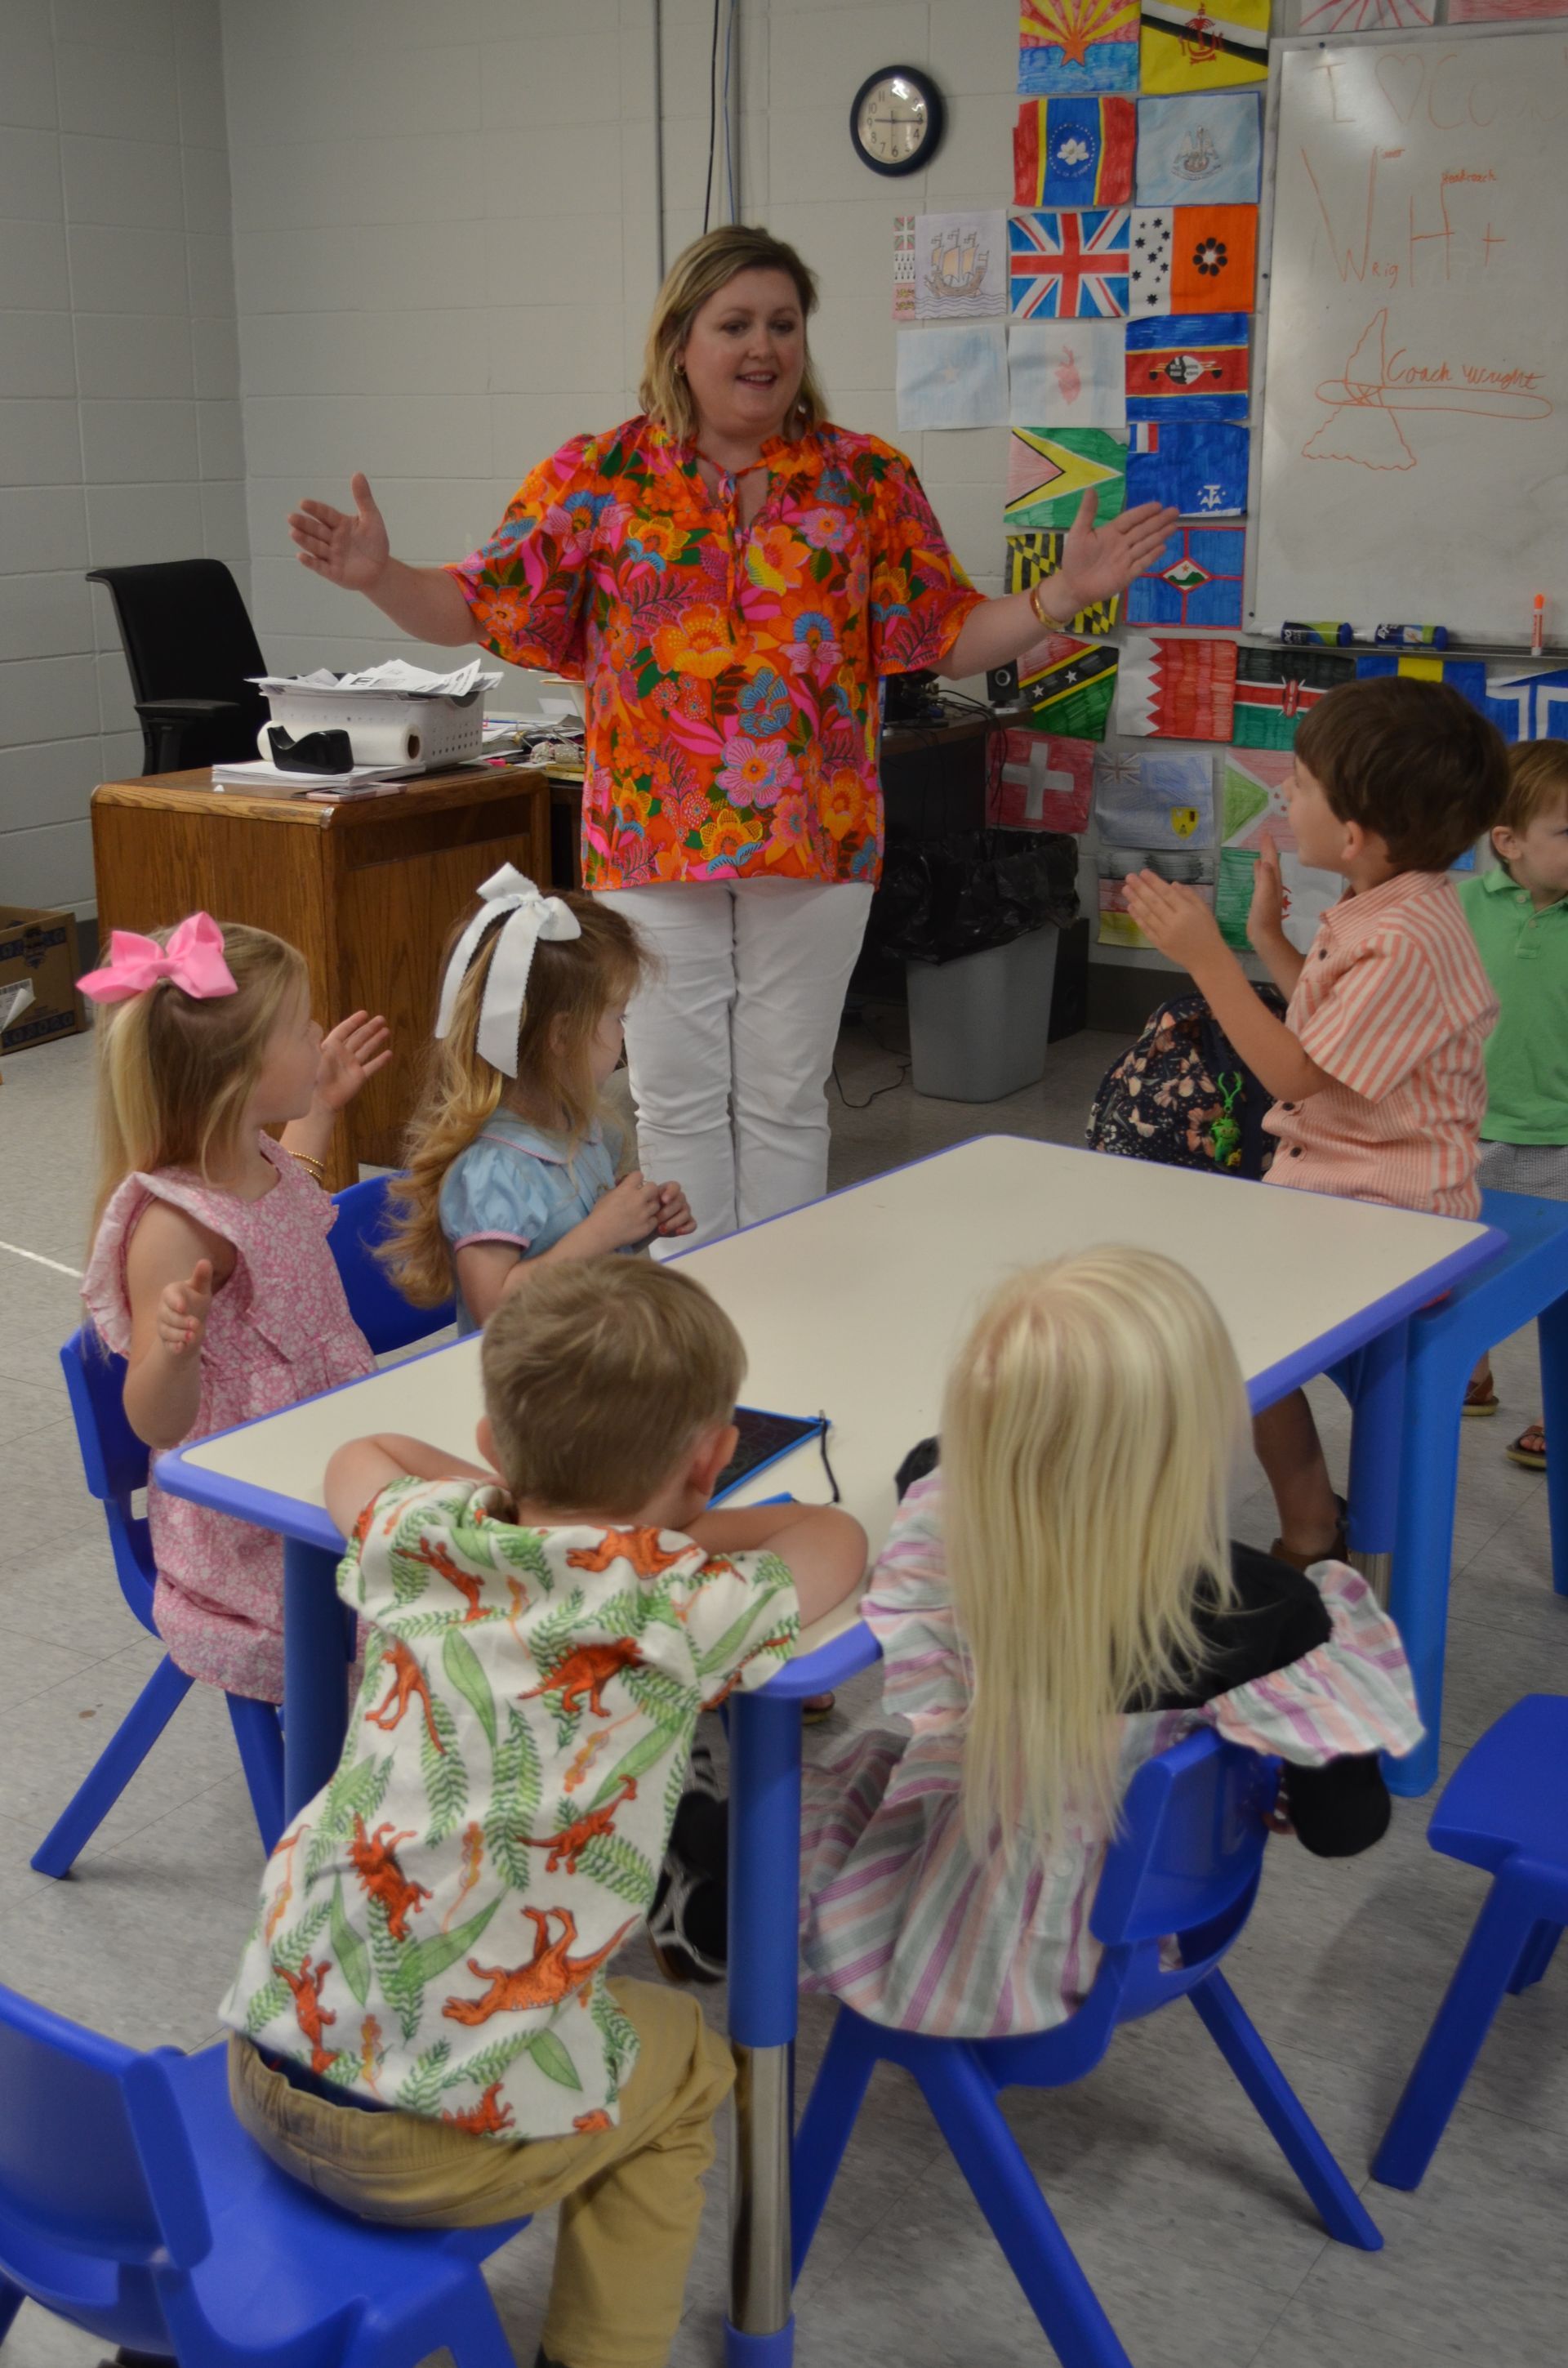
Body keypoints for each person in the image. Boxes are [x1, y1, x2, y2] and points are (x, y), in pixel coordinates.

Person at [286, 222, 1177, 1244]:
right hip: (654, 842)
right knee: (675, 1104)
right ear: (679, 341)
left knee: (789, 1102)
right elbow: (478, 605)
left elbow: (949, 636)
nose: (765, 347)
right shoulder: (600, 476)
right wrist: (380, 579)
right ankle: (696, 1332)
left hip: (819, 837)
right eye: (736, 323)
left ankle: (782, 1322)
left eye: (784, 324)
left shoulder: (865, 481)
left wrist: (1063, 594)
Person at [221, 1258, 866, 2368]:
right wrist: (684, 1529)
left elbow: (357, 1453)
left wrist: (498, 1494)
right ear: (708, 1461)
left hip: (263, 2060)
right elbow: (831, 1537)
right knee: (691, 2067)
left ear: (495, 1439)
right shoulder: (677, 1604)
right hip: (420, 2152)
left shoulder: (420, 1538)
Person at [799, 1246, 1423, 2038]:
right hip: (1152, 1918)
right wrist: (1278, 1777)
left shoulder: (959, 1548)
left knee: (818, 1791)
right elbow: (1346, 1831)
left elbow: (928, 1465)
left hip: (957, 1940)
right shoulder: (1281, 1611)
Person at [1122, 677, 1506, 1568]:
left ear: (1356, 835)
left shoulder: (1404, 936)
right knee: (1187, 1285)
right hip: (1336, 1183)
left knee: (1221, 1324)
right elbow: (1331, 1037)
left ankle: (1309, 1522)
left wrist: (1207, 958)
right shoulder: (1389, 907)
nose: (1283, 796)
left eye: (1298, 784)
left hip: (1389, 1208)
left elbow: (1293, 1070)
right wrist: (1265, 939)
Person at [78, 914, 389, 1704]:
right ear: (238, 1076)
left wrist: (320, 1108)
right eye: (299, 1027)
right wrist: (172, 1352)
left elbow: (288, 1200)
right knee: (434, 1601)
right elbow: (156, 1421)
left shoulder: (255, 1154)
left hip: (322, 1459)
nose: (319, 1034)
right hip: (248, 1523)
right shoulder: (174, 1227)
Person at [382, 865, 693, 1335]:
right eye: (615, 1018)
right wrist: (603, 1232)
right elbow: (495, 1310)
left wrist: (642, 1220)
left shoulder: (581, 1127)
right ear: (561, 1035)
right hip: (532, 1390)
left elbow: (584, 1253)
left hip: (591, 1361)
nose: (622, 1036)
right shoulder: (493, 1169)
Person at [1458, 740, 1568, 1471]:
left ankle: (1557, 1409)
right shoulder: (1460, 900)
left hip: (1562, 1136)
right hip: (1467, 1128)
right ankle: (1470, 1368)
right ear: (1508, 842)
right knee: (1462, 1262)